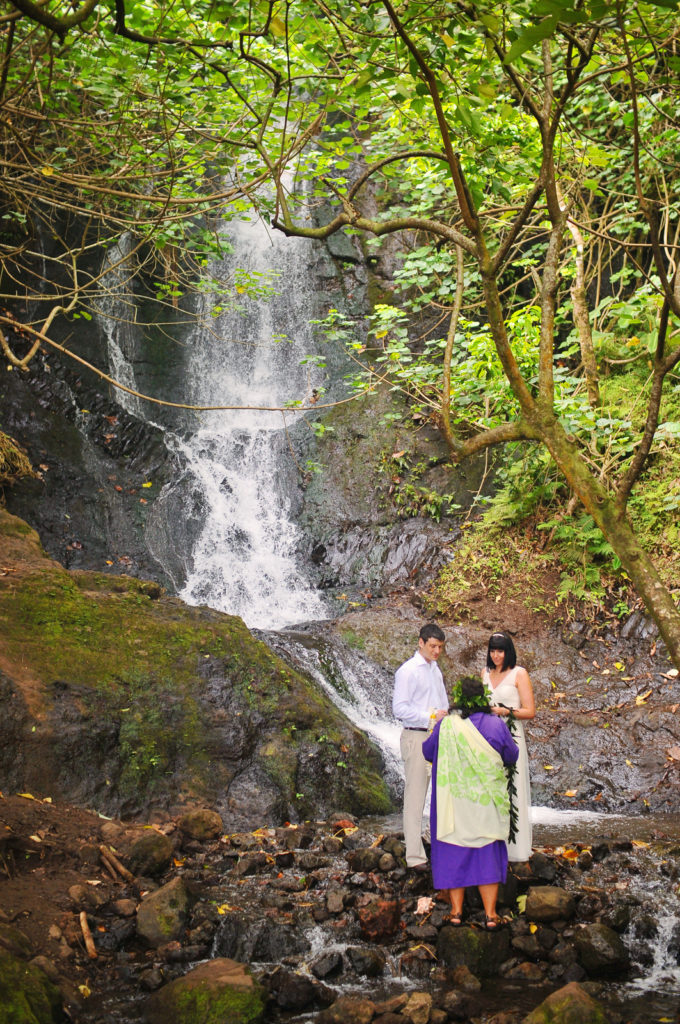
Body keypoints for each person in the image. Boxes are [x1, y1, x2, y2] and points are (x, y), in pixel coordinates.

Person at [422, 676, 518, 928]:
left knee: (454, 850)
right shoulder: (496, 725)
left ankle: (455, 912)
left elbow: (427, 751)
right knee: (487, 851)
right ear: (483, 698)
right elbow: (512, 755)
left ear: (458, 699)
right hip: (486, 803)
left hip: (454, 803)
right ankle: (490, 915)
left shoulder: (446, 726)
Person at [393, 623, 449, 870]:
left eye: (440, 647)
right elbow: (399, 709)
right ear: (421, 642)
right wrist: (431, 716)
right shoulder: (408, 671)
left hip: (437, 735)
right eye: (433, 646)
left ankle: (435, 842)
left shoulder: (435, 670)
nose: (437, 651)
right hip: (416, 736)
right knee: (415, 796)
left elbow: (442, 702)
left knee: (441, 793)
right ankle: (414, 856)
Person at [482, 631, 535, 862]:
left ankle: (515, 848)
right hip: (487, 735)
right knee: (491, 786)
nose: (496, 656)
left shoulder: (519, 673)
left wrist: (505, 711)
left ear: (508, 651)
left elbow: (530, 711)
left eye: (500, 651)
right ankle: (492, 843)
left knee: (512, 785)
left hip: (511, 734)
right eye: (493, 651)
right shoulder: (484, 672)